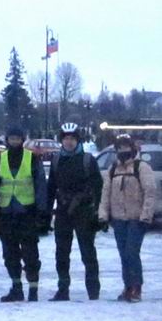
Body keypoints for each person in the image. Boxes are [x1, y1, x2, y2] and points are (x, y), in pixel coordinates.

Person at [0, 126, 48, 302]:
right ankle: (16, 287)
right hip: (7, 213)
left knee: (31, 254)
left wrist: (41, 211)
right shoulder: (1, 160)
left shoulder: (32, 159)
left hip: (27, 213)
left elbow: (40, 185)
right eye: (11, 139)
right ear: (7, 140)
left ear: (23, 140)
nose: (14, 142)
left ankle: (33, 288)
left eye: (17, 139)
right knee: (10, 254)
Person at [46, 122, 104, 301]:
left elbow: (98, 187)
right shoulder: (56, 160)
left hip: (84, 212)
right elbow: (51, 188)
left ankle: (93, 290)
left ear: (77, 140)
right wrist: (46, 213)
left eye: (72, 139)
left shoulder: (88, 160)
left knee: (88, 252)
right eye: (66, 138)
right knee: (62, 253)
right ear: (61, 140)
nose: (69, 142)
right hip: (63, 212)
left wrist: (99, 213)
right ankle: (63, 288)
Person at [98, 134, 157, 303]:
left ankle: (137, 286)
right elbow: (106, 193)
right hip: (118, 218)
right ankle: (128, 286)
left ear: (132, 148)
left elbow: (150, 192)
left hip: (136, 218)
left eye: (126, 147)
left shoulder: (142, 167)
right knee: (123, 254)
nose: (123, 151)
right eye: (119, 148)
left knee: (132, 252)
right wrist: (103, 215)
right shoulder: (113, 169)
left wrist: (146, 215)